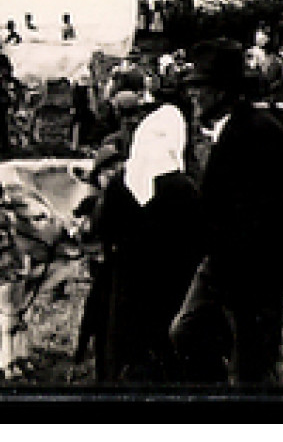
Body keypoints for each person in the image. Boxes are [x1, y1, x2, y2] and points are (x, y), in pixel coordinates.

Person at [170, 38, 283, 386]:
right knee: (187, 330)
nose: (192, 96)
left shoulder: (253, 132)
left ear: (221, 92)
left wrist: (227, 252)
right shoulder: (247, 127)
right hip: (232, 263)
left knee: (253, 361)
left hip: (250, 269)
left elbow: (276, 206)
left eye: (199, 88)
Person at [86, 103, 208, 385]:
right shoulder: (183, 187)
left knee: (128, 351)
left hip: (127, 283)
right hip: (173, 282)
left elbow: (103, 228)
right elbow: (200, 238)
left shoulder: (121, 182)